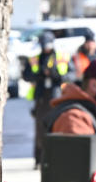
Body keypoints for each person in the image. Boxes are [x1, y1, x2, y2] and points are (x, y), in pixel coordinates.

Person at [23, 31, 71, 167]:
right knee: (40, 129)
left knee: (57, 128)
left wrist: (55, 74)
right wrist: (39, 75)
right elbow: (26, 75)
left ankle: (56, 158)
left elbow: (70, 75)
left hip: (56, 97)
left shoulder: (61, 57)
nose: (46, 48)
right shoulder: (36, 59)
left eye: (48, 45)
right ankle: (39, 159)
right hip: (41, 98)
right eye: (44, 45)